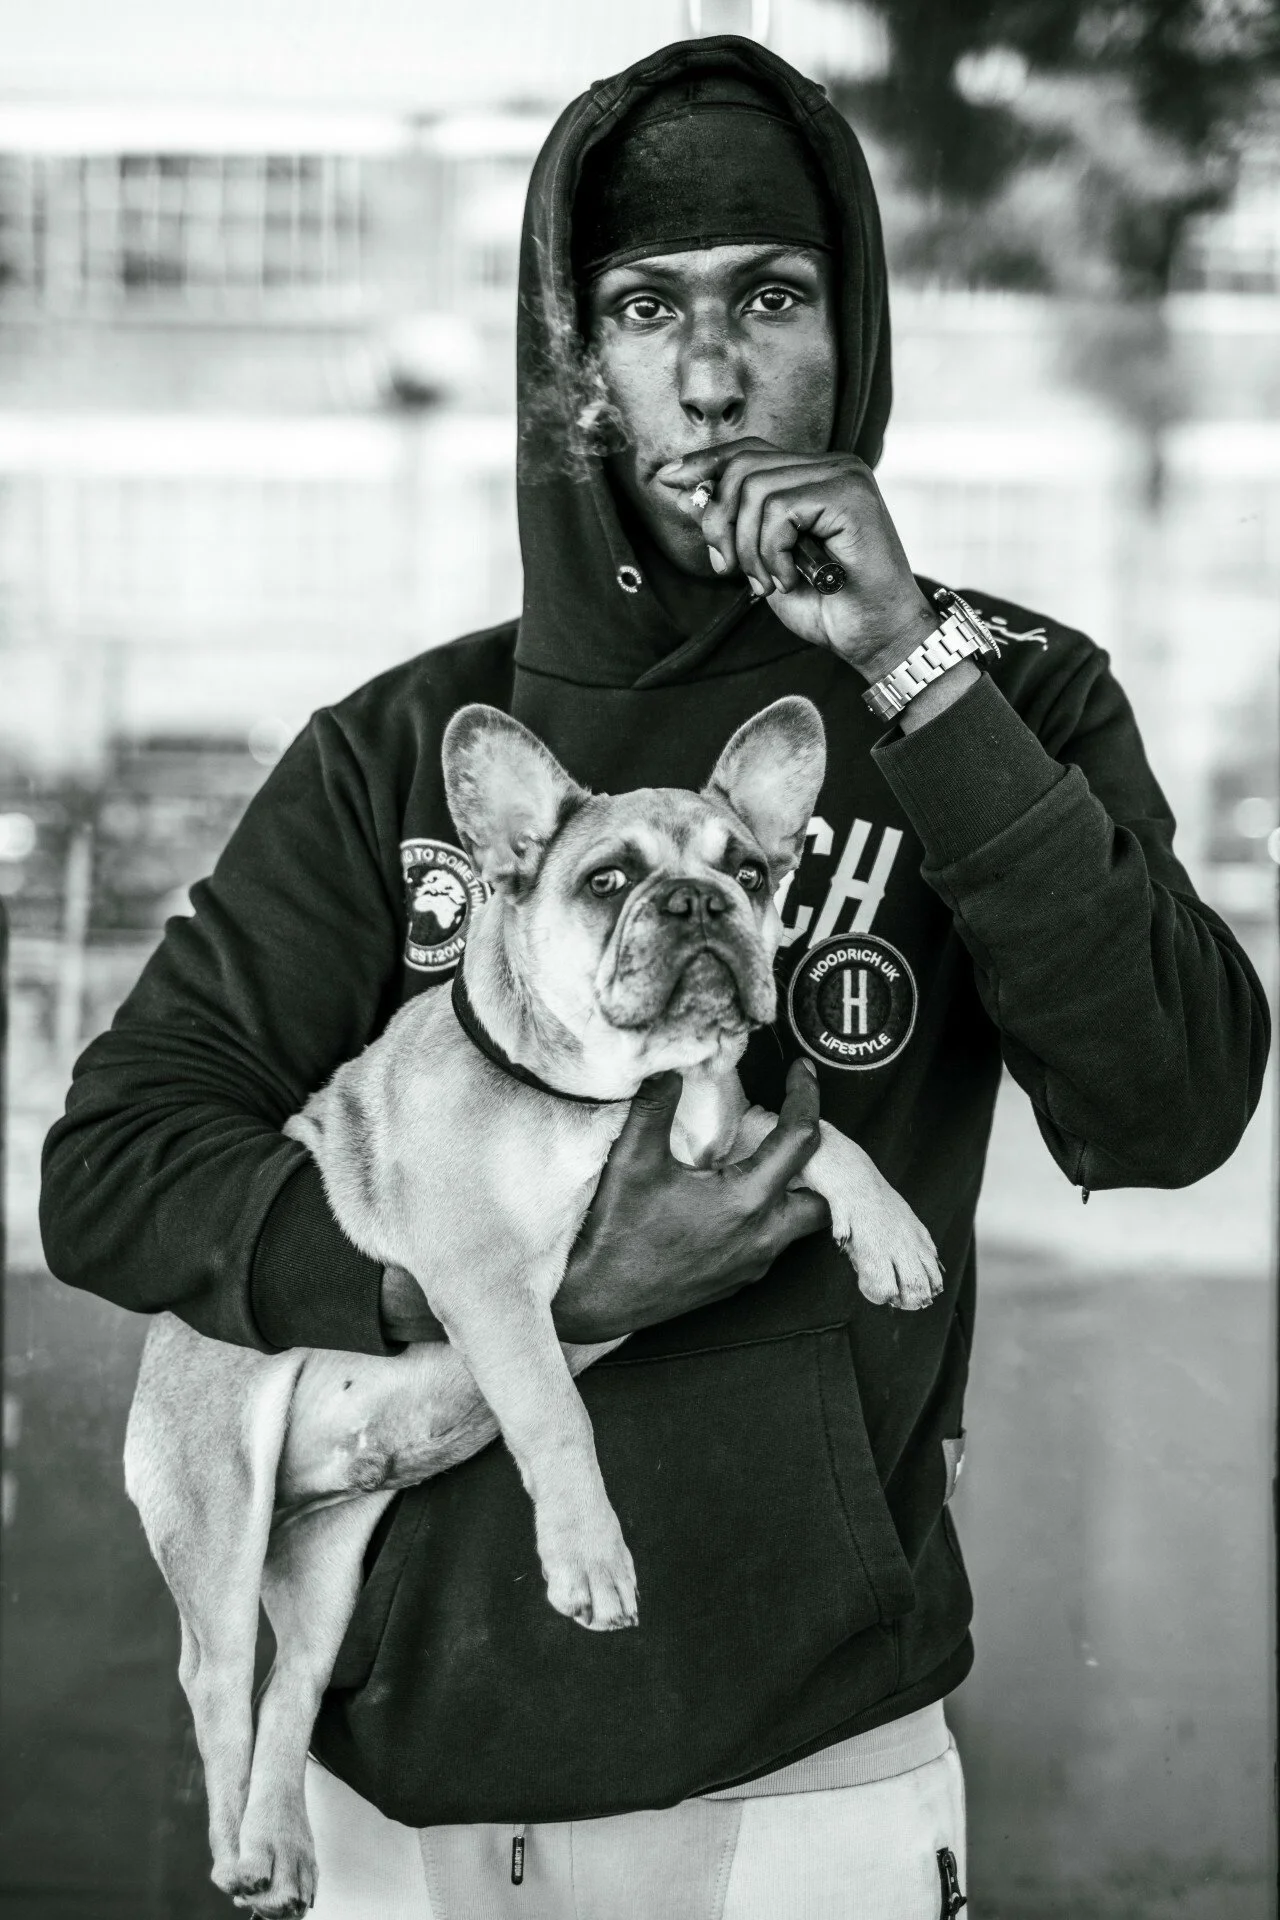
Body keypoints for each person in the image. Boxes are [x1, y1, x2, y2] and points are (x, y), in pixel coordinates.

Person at [41, 35, 1268, 1920]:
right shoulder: (403, 750)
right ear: (573, 363)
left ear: (853, 333)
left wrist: (905, 660)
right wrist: (457, 1284)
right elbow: (113, 1167)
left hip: (810, 1780)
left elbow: (1172, 1105)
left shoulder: (1002, 694)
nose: (707, 374)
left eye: (769, 298)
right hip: (399, 1813)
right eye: (642, 309)